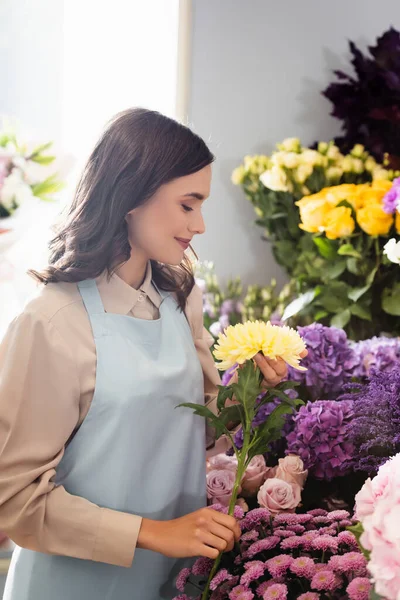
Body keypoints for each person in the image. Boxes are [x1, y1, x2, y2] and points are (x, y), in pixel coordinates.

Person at [0, 108, 290, 599]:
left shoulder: (182, 299)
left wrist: (250, 386)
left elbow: (194, 432)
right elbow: (15, 499)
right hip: (73, 585)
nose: (199, 224)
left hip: (172, 580)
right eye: (187, 204)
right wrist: (156, 534)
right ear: (132, 196)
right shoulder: (51, 323)